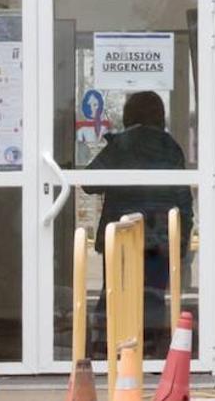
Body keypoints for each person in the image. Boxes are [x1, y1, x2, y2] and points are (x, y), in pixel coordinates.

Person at [85, 91, 194, 353]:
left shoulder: (121, 145)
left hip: (122, 233)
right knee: (153, 295)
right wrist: (183, 235)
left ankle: (106, 347)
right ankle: (148, 349)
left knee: (115, 290)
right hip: (160, 235)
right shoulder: (171, 147)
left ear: (129, 115)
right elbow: (182, 196)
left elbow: (90, 182)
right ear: (160, 115)